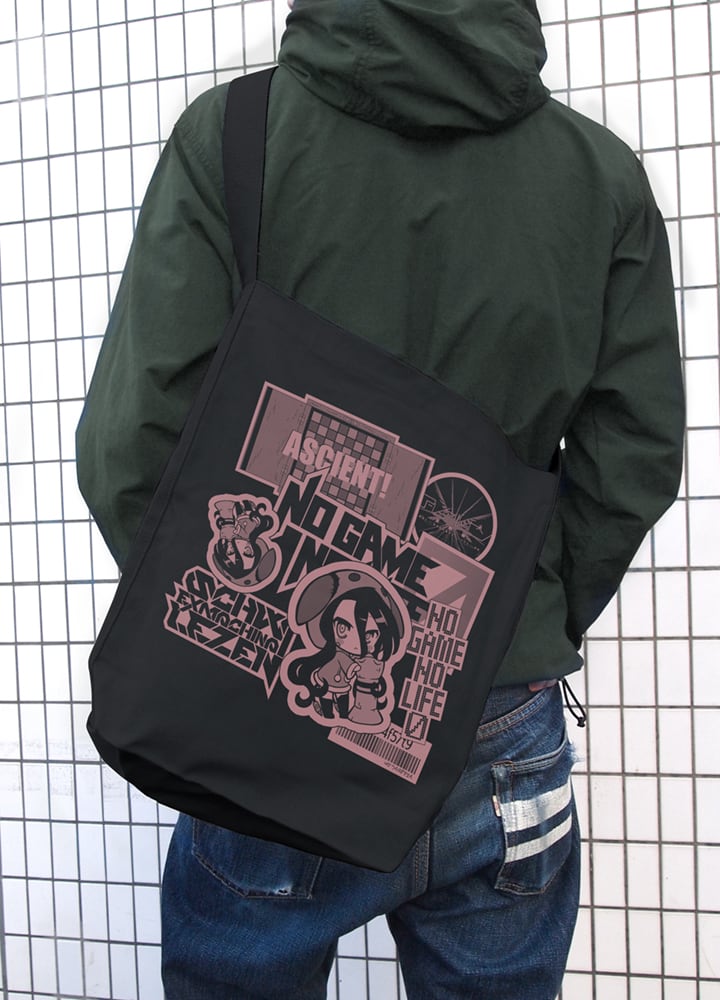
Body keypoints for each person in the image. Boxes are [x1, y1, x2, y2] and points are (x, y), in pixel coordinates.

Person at [75, 0, 685, 996]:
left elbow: (129, 442)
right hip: (500, 722)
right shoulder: (602, 178)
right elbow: (635, 459)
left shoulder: (235, 137)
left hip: (268, 704)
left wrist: (234, 615)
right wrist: (516, 624)